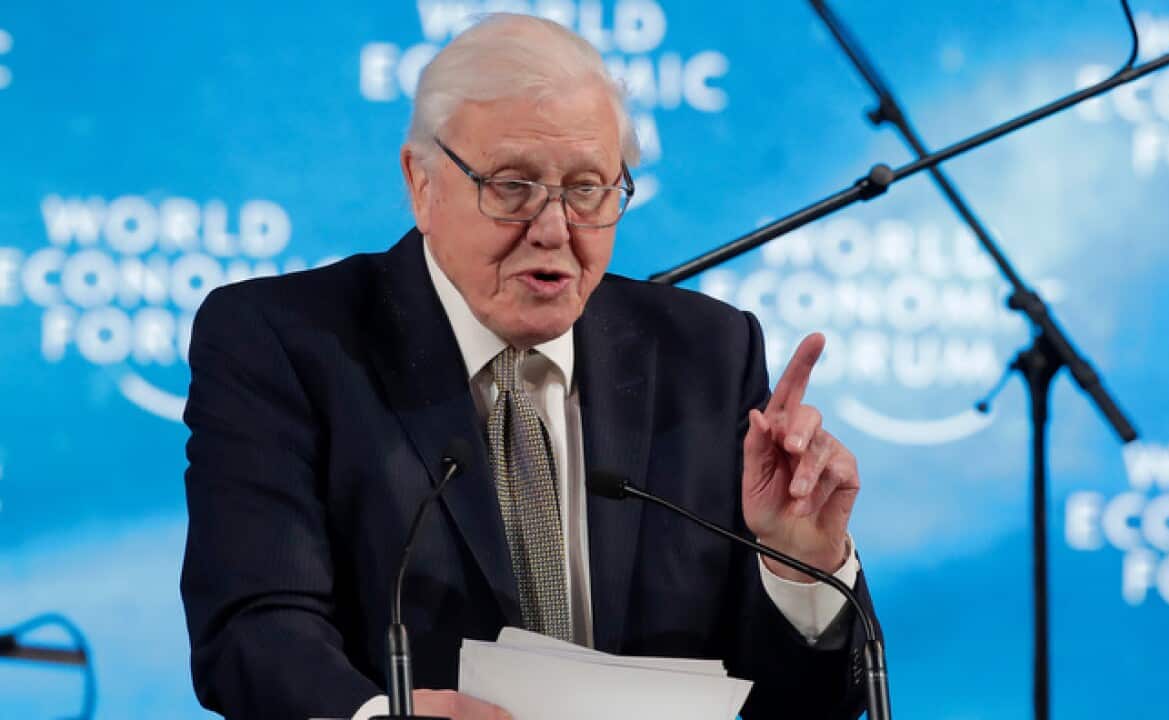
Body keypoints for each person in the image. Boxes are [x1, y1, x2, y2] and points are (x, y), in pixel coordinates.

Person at [180, 13, 878, 720]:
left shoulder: (708, 358)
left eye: (587, 189)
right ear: (422, 182)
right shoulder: (285, 343)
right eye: (512, 186)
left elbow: (802, 707)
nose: (553, 228)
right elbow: (251, 629)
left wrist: (800, 572)